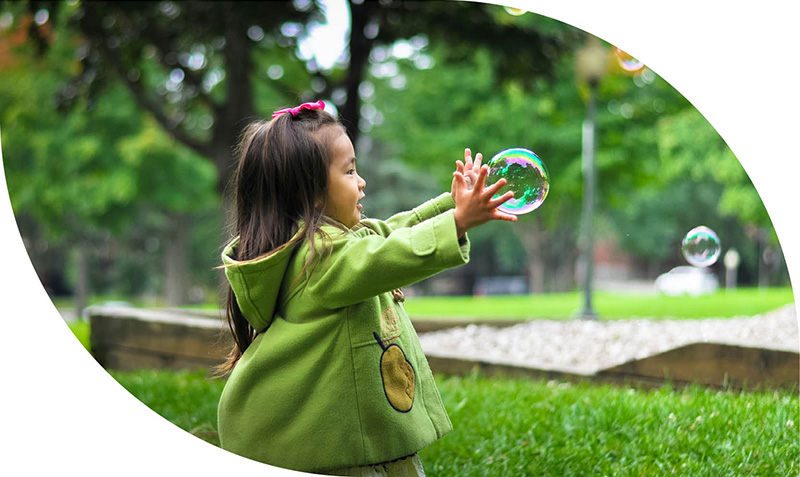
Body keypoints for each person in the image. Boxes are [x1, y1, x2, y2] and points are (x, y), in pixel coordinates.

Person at [215, 100, 516, 476]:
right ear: (312, 193)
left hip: (352, 437)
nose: (361, 181)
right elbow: (386, 254)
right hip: (339, 453)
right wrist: (455, 222)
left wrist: (451, 207)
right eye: (349, 170)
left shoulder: (333, 243)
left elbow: (387, 232)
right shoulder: (319, 259)